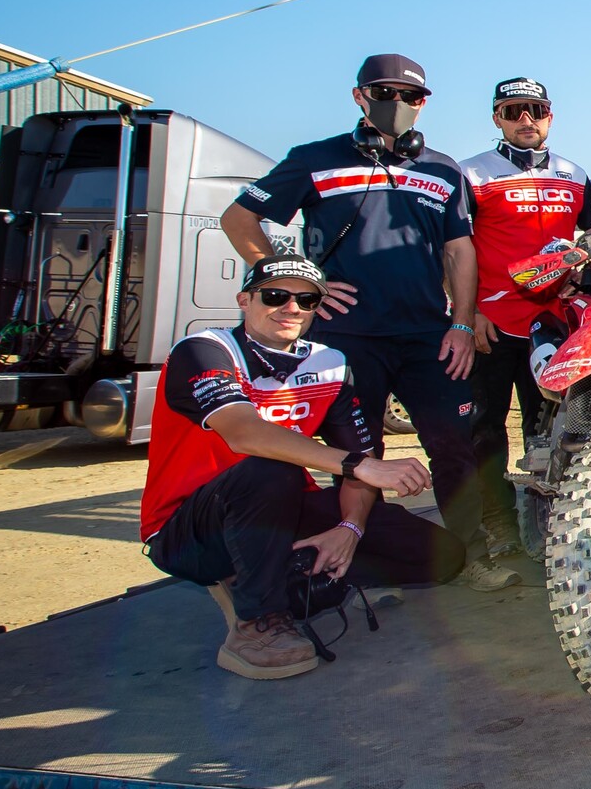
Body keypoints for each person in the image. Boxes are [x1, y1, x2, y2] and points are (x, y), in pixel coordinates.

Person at [220, 53, 512, 592]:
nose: (398, 103)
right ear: (360, 96)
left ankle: (473, 557)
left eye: (411, 96)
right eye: (385, 92)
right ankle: (359, 558)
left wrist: (461, 324)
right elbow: (238, 218)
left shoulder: (444, 170)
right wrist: (301, 283)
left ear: (423, 104)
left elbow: (459, 251)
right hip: (346, 338)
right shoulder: (313, 159)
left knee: (455, 446)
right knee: (359, 455)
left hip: (429, 337)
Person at [141, 257, 463, 680]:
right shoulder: (204, 350)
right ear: (244, 300)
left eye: (307, 300)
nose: (291, 308)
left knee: (441, 555)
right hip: (189, 527)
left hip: (282, 510)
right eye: (275, 296)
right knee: (273, 469)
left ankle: (292, 579)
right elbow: (244, 434)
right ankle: (255, 624)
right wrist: (358, 466)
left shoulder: (329, 363)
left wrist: (349, 529)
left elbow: (358, 458)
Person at [458, 77, 591, 554]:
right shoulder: (471, 173)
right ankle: (498, 527)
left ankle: (551, 527)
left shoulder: (574, 174)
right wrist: (469, 312)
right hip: (493, 323)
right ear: (496, 118)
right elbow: (452, 250)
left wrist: (585, 267)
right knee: (485, 431)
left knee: (551, 431)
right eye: (513, 110)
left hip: (555, 324)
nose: (525, 119)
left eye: (535, 110)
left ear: (549, 116)